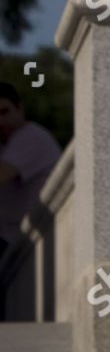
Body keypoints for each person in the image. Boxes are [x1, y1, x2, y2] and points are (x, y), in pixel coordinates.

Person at [0, 83, 61, 251]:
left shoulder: (31, 136)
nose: (1, 121)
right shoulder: (6, 144)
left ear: (20, 108)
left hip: (32, 242)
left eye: (5, 112)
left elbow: (2, 174)